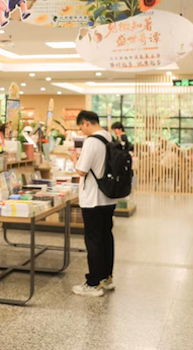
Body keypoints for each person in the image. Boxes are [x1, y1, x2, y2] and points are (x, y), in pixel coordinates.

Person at [69, 110, 116, 297]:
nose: (82, 131)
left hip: (93, 199)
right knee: (106, 238)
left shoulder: (91, 141)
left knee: (94, 240)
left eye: (81, 127)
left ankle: (93, 283)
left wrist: (74, 159)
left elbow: (82, 170)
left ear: (86, 123)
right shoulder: (109, 137)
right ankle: (106, 278)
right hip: (109, 197)